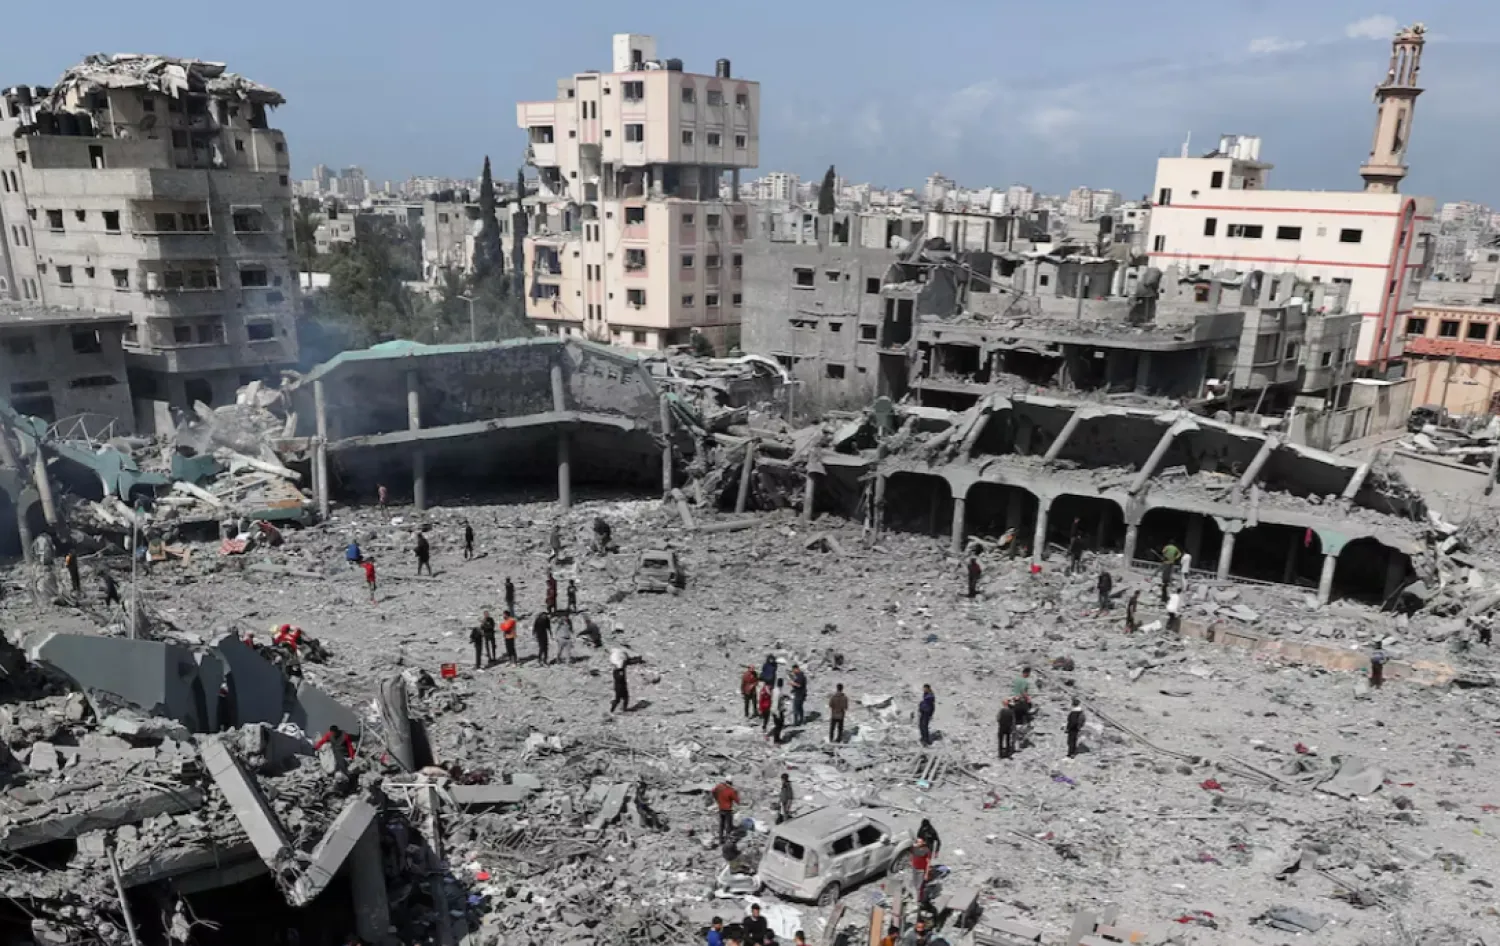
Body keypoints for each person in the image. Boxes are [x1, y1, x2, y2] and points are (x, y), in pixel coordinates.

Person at [711, 779, 740, 843]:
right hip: (728, 810)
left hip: (721, 808)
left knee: (721, 825)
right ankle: (728, 840)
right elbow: (737, 801)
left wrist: (717, 799)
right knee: (728, 825)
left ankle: (720, 839)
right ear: (731, 782)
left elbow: (713, 791)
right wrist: (736, 793)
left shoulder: (719, 786)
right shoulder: (731, 791)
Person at [771, 680, 789, 744]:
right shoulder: (778, 692)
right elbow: (776, 703)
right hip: (777, 711)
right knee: (778, 725)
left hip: (775, 710)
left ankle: (777, 739)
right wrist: (777, 713)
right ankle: (776, 740)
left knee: (778, 725)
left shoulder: (775, 690)